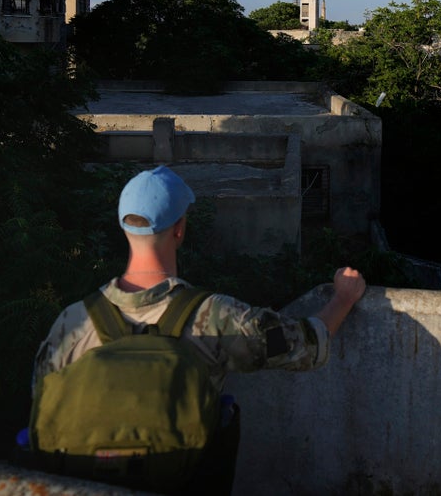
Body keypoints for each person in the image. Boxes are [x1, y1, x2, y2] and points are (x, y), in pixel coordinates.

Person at [29, 165, 367, 493]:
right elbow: (305, 346)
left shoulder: (71, 322)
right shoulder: (215, 316)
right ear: (179, 230)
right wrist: (343, 298)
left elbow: (42, 405)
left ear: (124, 227)